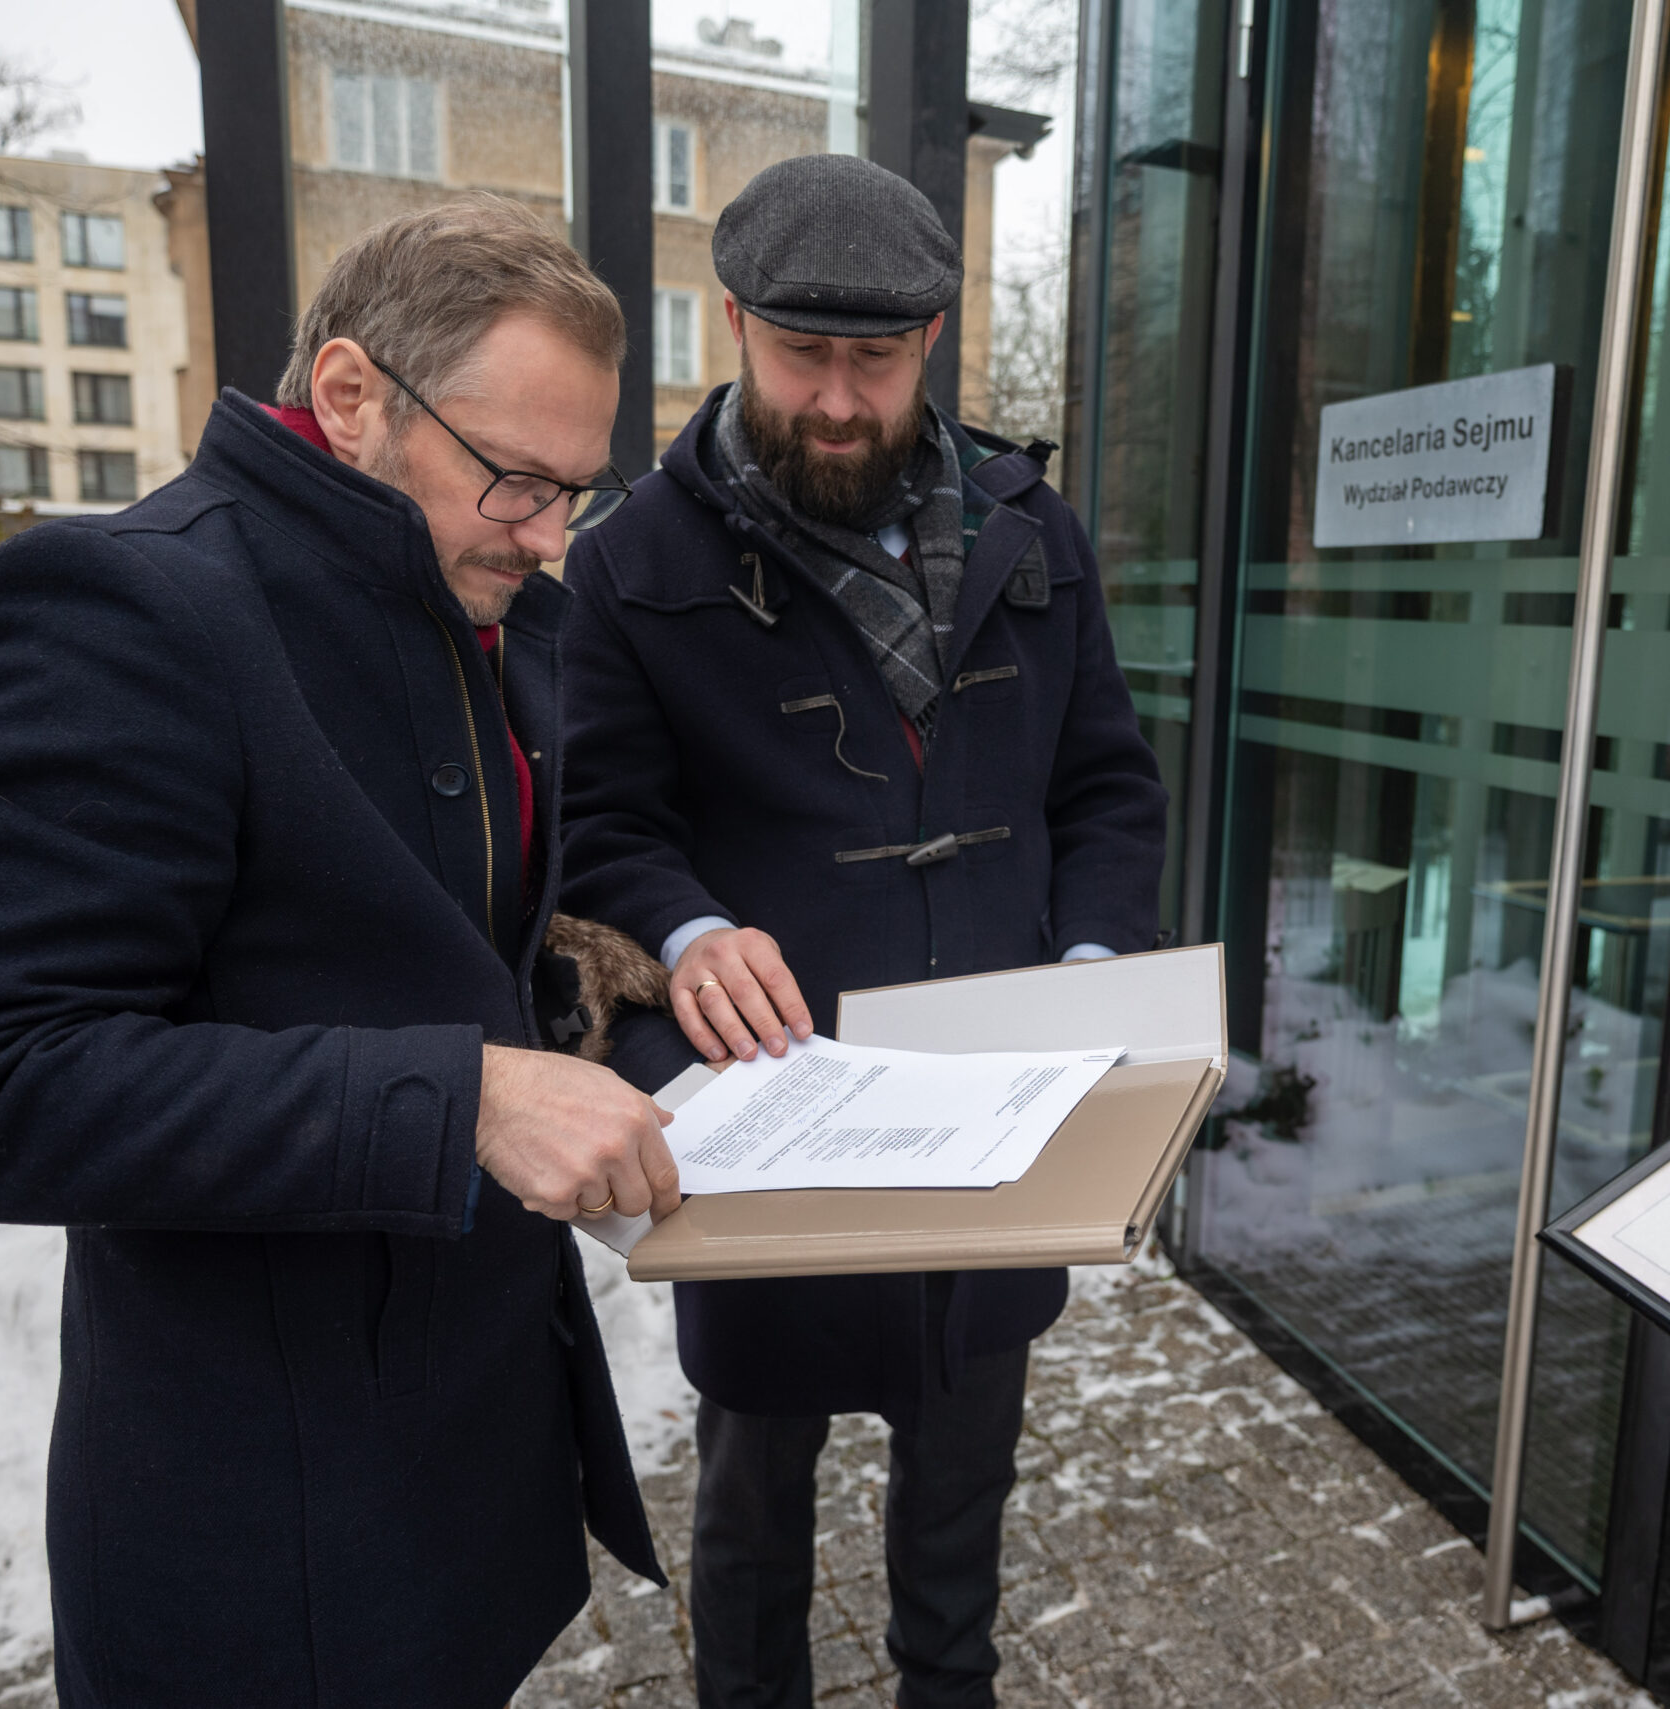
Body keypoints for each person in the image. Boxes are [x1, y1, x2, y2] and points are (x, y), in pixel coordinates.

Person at [0, 195, 682, 1708]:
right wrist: (473, 1101)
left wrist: (605, 997)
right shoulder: (118, 607)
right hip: (266, 1533)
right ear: (355, 393)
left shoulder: (479, 604)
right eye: (515, 480)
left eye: (580, 487)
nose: (554, 537)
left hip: (461, 1473)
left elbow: (428, 943)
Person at [558, 154, 1169, 1709]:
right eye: (803, 354)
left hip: (999, 1109)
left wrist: (1092, 974)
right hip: (777, 1112)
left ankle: (942, 1689)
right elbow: (601, 828)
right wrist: (686, 931)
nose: (839, 399)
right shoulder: (634, 560)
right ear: (736, 322)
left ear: (936, 338)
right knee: (756, 1489)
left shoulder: (1036, 532)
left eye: (877, 360)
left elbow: (1106, 789)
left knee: (970, 1468)